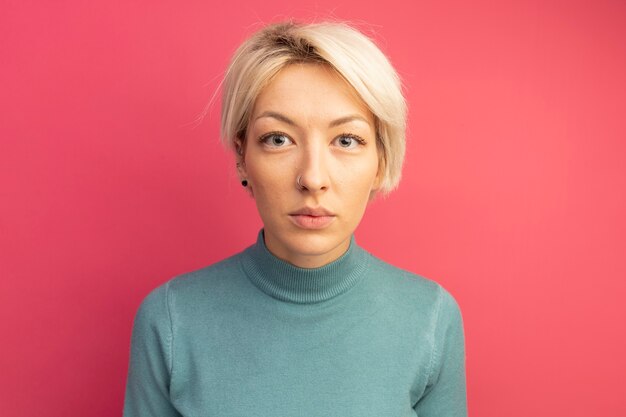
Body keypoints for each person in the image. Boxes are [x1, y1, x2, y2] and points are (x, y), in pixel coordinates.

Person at [123, 20, 467, 417]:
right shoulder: (170, 321)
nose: (313, 179)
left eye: (346, 140)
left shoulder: (430, 318)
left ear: (381, 161)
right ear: (242, 158)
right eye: (278, 139)